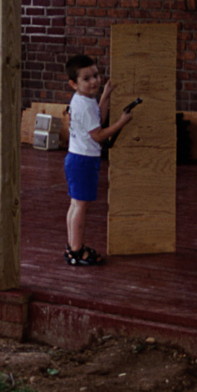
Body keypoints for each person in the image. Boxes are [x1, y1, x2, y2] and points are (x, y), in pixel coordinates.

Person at [63, 53, 134, 266]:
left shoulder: (85, 100)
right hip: (83, 161)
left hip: (77, 158)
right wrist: (122, 122)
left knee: (76, 205)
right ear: (73, 84)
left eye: (96, 75)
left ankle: (72, 246)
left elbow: (98, 117)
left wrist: (106, 95)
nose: (94, 81)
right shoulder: (83, 105)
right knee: (81, 207)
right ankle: (76, 251)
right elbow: (99, 134)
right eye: (87, 78)